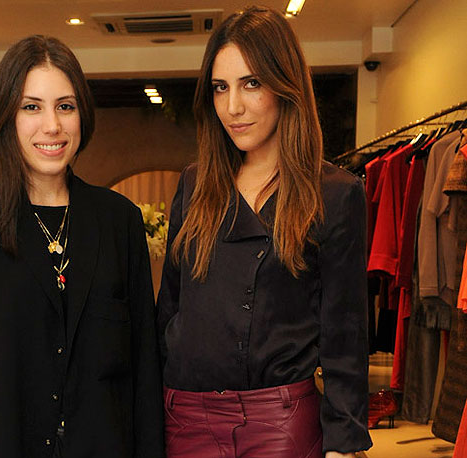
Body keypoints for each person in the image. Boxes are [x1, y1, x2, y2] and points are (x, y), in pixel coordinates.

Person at [0, 35, 164, 458]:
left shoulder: (119, 220)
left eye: (65, 106)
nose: (52, 125)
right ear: (7, 117)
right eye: (32, 107)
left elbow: (144, 369)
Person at [157, 6, 372, 458]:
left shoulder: (334, 193)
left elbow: (345, 332)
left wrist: (343, 441)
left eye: (251, 83)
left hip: (279, 421)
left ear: (284, 85)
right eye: (220, 87)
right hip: (186, 417)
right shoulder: (194, 184)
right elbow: (170, 308)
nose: (232, 107)